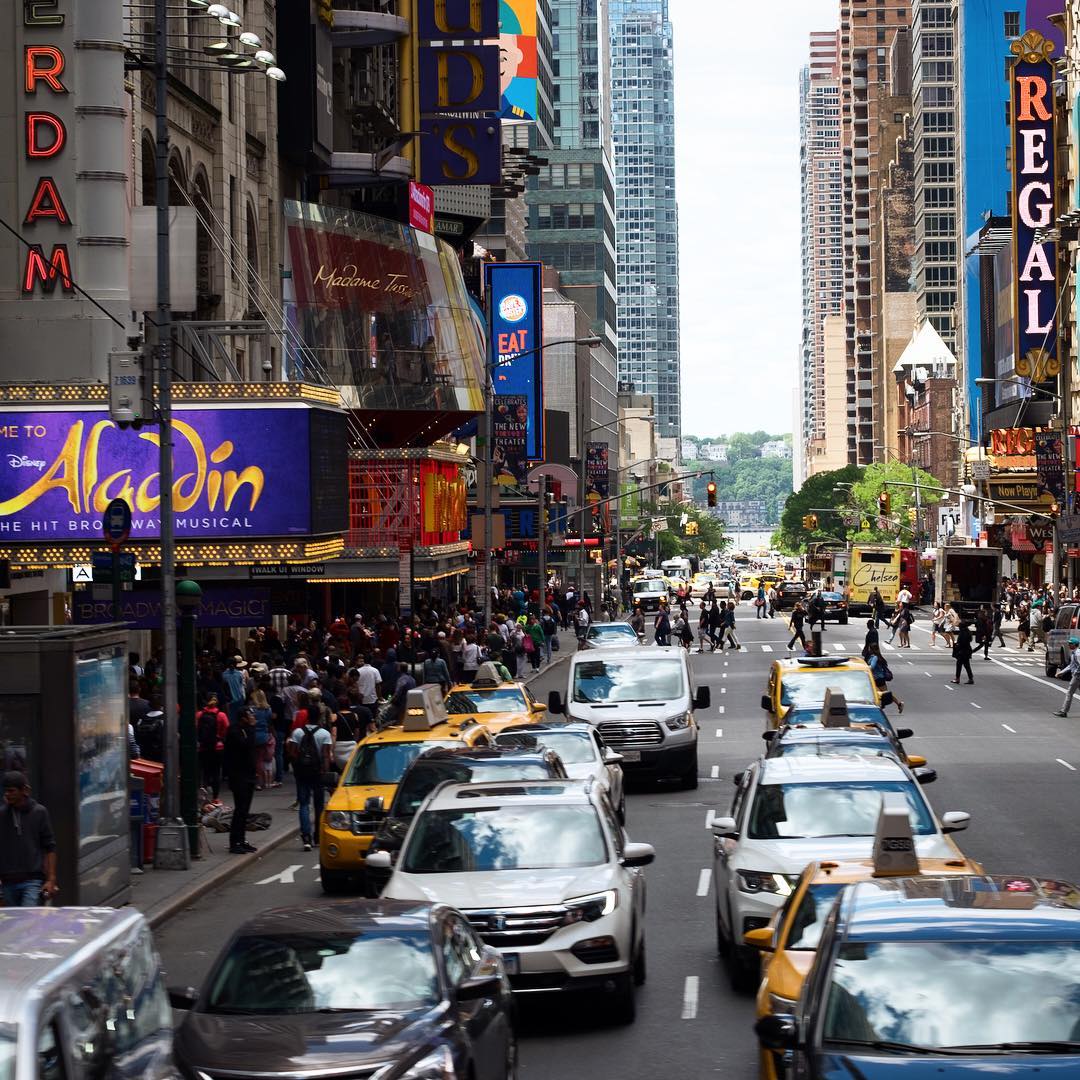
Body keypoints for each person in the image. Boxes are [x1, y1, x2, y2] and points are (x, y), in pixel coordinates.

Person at [0, 771, 58, 906]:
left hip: (33, 880)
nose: (7, 794)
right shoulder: (2, 815)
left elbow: (50, 847)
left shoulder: (39, 812)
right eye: (5, 791)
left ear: (25, 790)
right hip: (7, 882)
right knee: (12, 920)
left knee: (29, 917)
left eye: (11, 791)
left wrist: (51, 879)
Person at [288, 708, 333, 851]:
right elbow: (326, 755)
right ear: (319, 718)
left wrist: (297, 766)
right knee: (319, 805)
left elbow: (292, 752)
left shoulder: (298, 732)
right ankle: (317, 836)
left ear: (307, 718)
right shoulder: (325, 734)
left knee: (304, 804)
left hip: (302, 772)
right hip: (317, 773)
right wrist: (325, 772)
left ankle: (306, 837)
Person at [223, 707, 259, 854]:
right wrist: (252, 729)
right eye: (250, 715)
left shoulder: (246, 730)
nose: (253, 717)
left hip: (248, 775)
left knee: (245, 810)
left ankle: (242, 839)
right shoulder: (234, 731)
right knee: (240, 809)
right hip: (238, 776)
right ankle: (234, 842)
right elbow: (245, 745)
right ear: (243, 718)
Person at [196, 694, 229, 799]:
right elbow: (227, 729)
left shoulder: (199, 714)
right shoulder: (221, 715)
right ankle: (215, 797)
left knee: (204, 771)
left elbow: (195, 729)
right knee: (216, 772)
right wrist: (220, 737)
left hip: (203, 747)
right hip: (217, 747)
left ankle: (203, 794)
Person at [866, 643, 904, 713]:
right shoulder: (877, 656)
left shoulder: (875, 657)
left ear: (871, 649)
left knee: (877, 693)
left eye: (869, 648)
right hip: (880, 678)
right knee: (885, 694)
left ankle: (878, 707)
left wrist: (865, 668)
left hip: (876, 679)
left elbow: (872, 667)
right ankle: (899, 704)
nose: (868, 649)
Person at [1055, 637, 1080, 717]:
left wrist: (1075, 674)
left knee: (1069, 693)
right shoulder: (1074, 653)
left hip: (1077, 676)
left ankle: (1063, 711)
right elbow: (1071, 666)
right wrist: (1061, 672)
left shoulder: (1077, 654)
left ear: (1075, 645)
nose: (1069, 645)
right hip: (1077, 675)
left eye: (1070, 643)